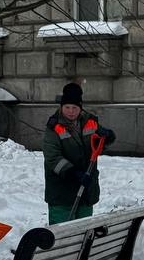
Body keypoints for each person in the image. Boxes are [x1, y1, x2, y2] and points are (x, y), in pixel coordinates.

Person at [42, 82, 116, 224]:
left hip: (86, 190)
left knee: (83, 231)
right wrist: (72, 172)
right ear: (61, 107)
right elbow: (52, 157)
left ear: (80, 108)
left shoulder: (90, 122)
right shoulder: (53, 127)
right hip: (62, 191)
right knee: (62, 233)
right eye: (67, 107)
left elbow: (99, 143)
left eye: (74, 107)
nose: (71, 111)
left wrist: (108, 137)